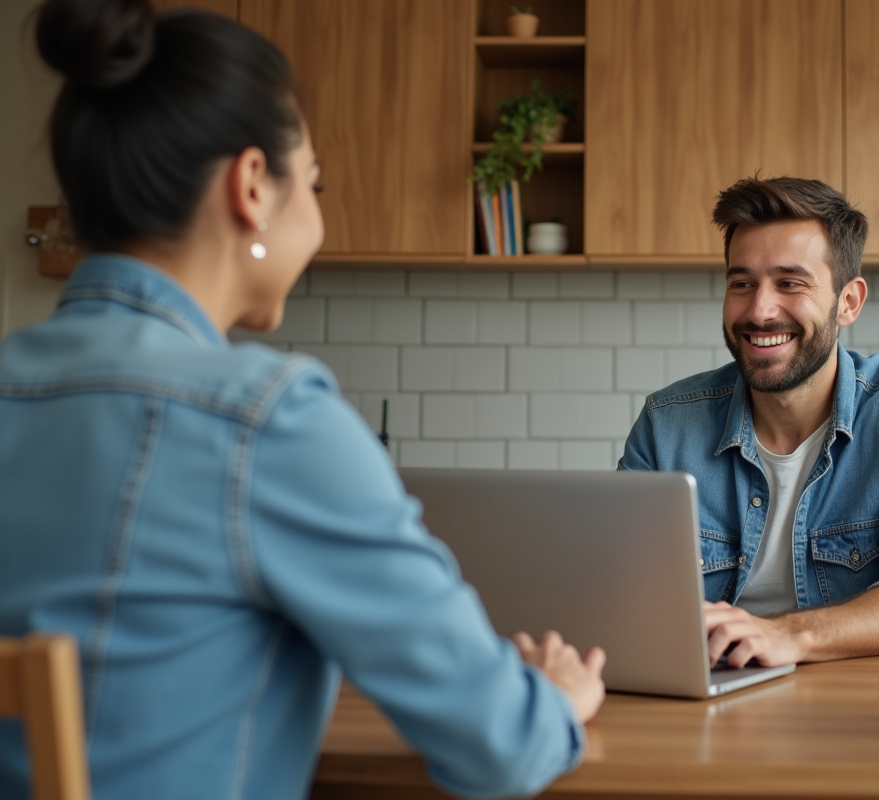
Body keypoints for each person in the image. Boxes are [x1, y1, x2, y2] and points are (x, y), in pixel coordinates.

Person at [0, 2, 604, 799]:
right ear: (253, 185)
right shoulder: (263, 418)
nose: (315, 214)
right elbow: (499, 745)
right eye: (313, 182)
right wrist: (555, 699)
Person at [619, 177, 879, 669]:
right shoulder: (667, 425)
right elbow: (622, 586)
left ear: (848, 302)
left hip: (859, 700)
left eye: (790, 283)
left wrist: (791, 637)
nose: (759, 310)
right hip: (709, 696)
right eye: (741, 283)